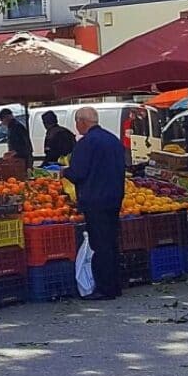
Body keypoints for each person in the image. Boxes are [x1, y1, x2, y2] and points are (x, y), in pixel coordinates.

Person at [62, 107, 126, 300]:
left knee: (100, 245)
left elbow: (78, 173)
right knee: (112, 242)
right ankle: (115, 285)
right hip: (114, 198)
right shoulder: (113, 140)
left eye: (76, 122)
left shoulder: (86, 143)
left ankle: (105, 288)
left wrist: (64, 172)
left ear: (82, 122)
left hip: (95, 200)